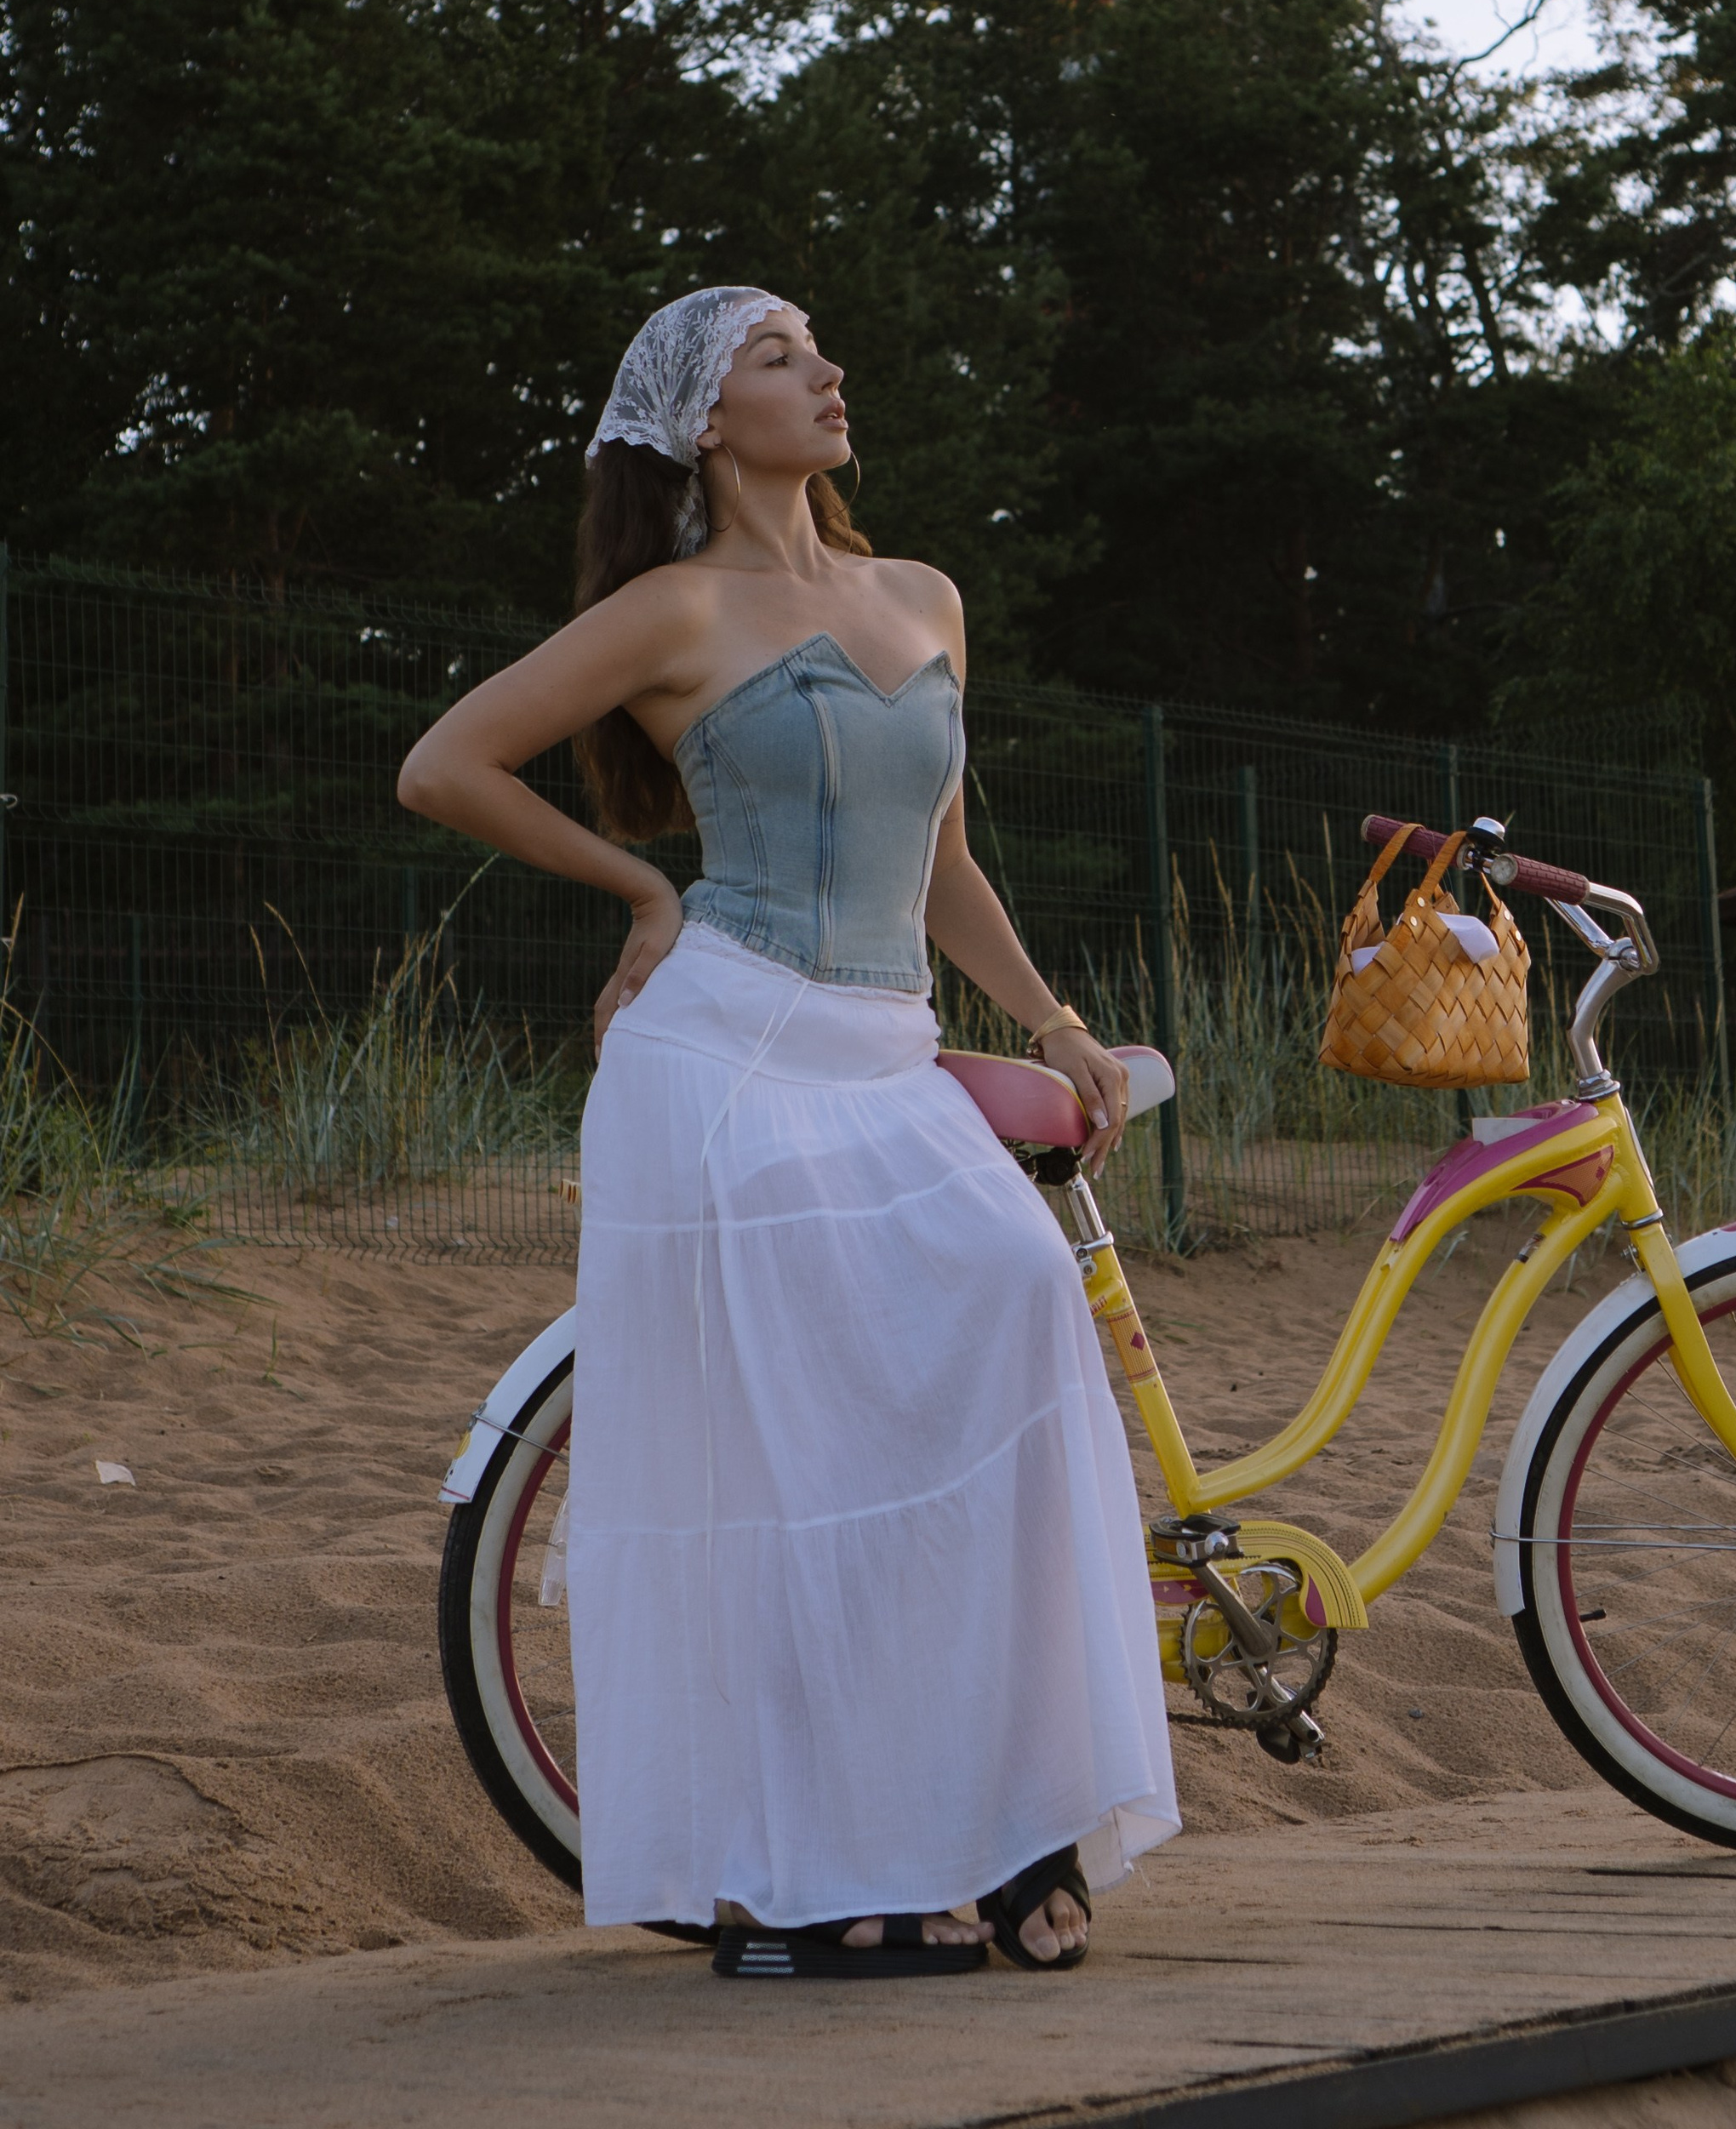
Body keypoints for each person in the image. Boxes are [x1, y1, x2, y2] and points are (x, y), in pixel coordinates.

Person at [398, 288, 1177, 1979]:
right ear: (700, 422)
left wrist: (1047, 1018)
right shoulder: (672, 609)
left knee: (1013, 1300)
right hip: (725, 1066)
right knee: (813, 1452)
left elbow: (942, 861)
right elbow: (445, 763)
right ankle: (822, 1873)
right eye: (777, 358)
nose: (825, 373)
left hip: (886, 1053)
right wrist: (638, 889)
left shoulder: (923, 599)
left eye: (821, 347)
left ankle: (1002, 1812)